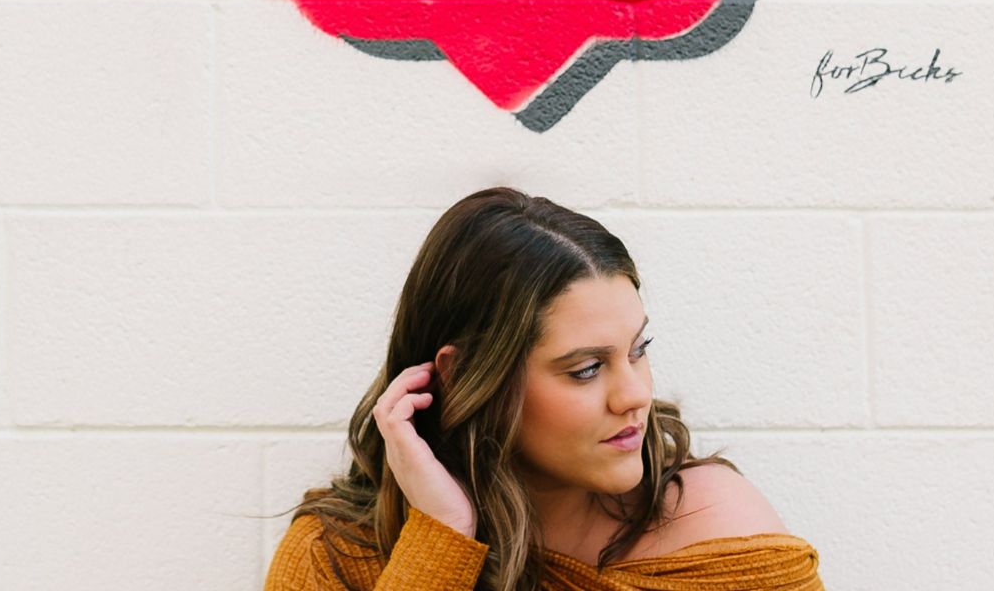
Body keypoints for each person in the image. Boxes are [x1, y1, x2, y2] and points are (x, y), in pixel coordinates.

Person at [264, 187, 822, 591]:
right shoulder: (335, 556)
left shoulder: (713, 529)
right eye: (585, 369)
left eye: (638, 351)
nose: (634, 397)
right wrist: (440, 541)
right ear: (462, 377)